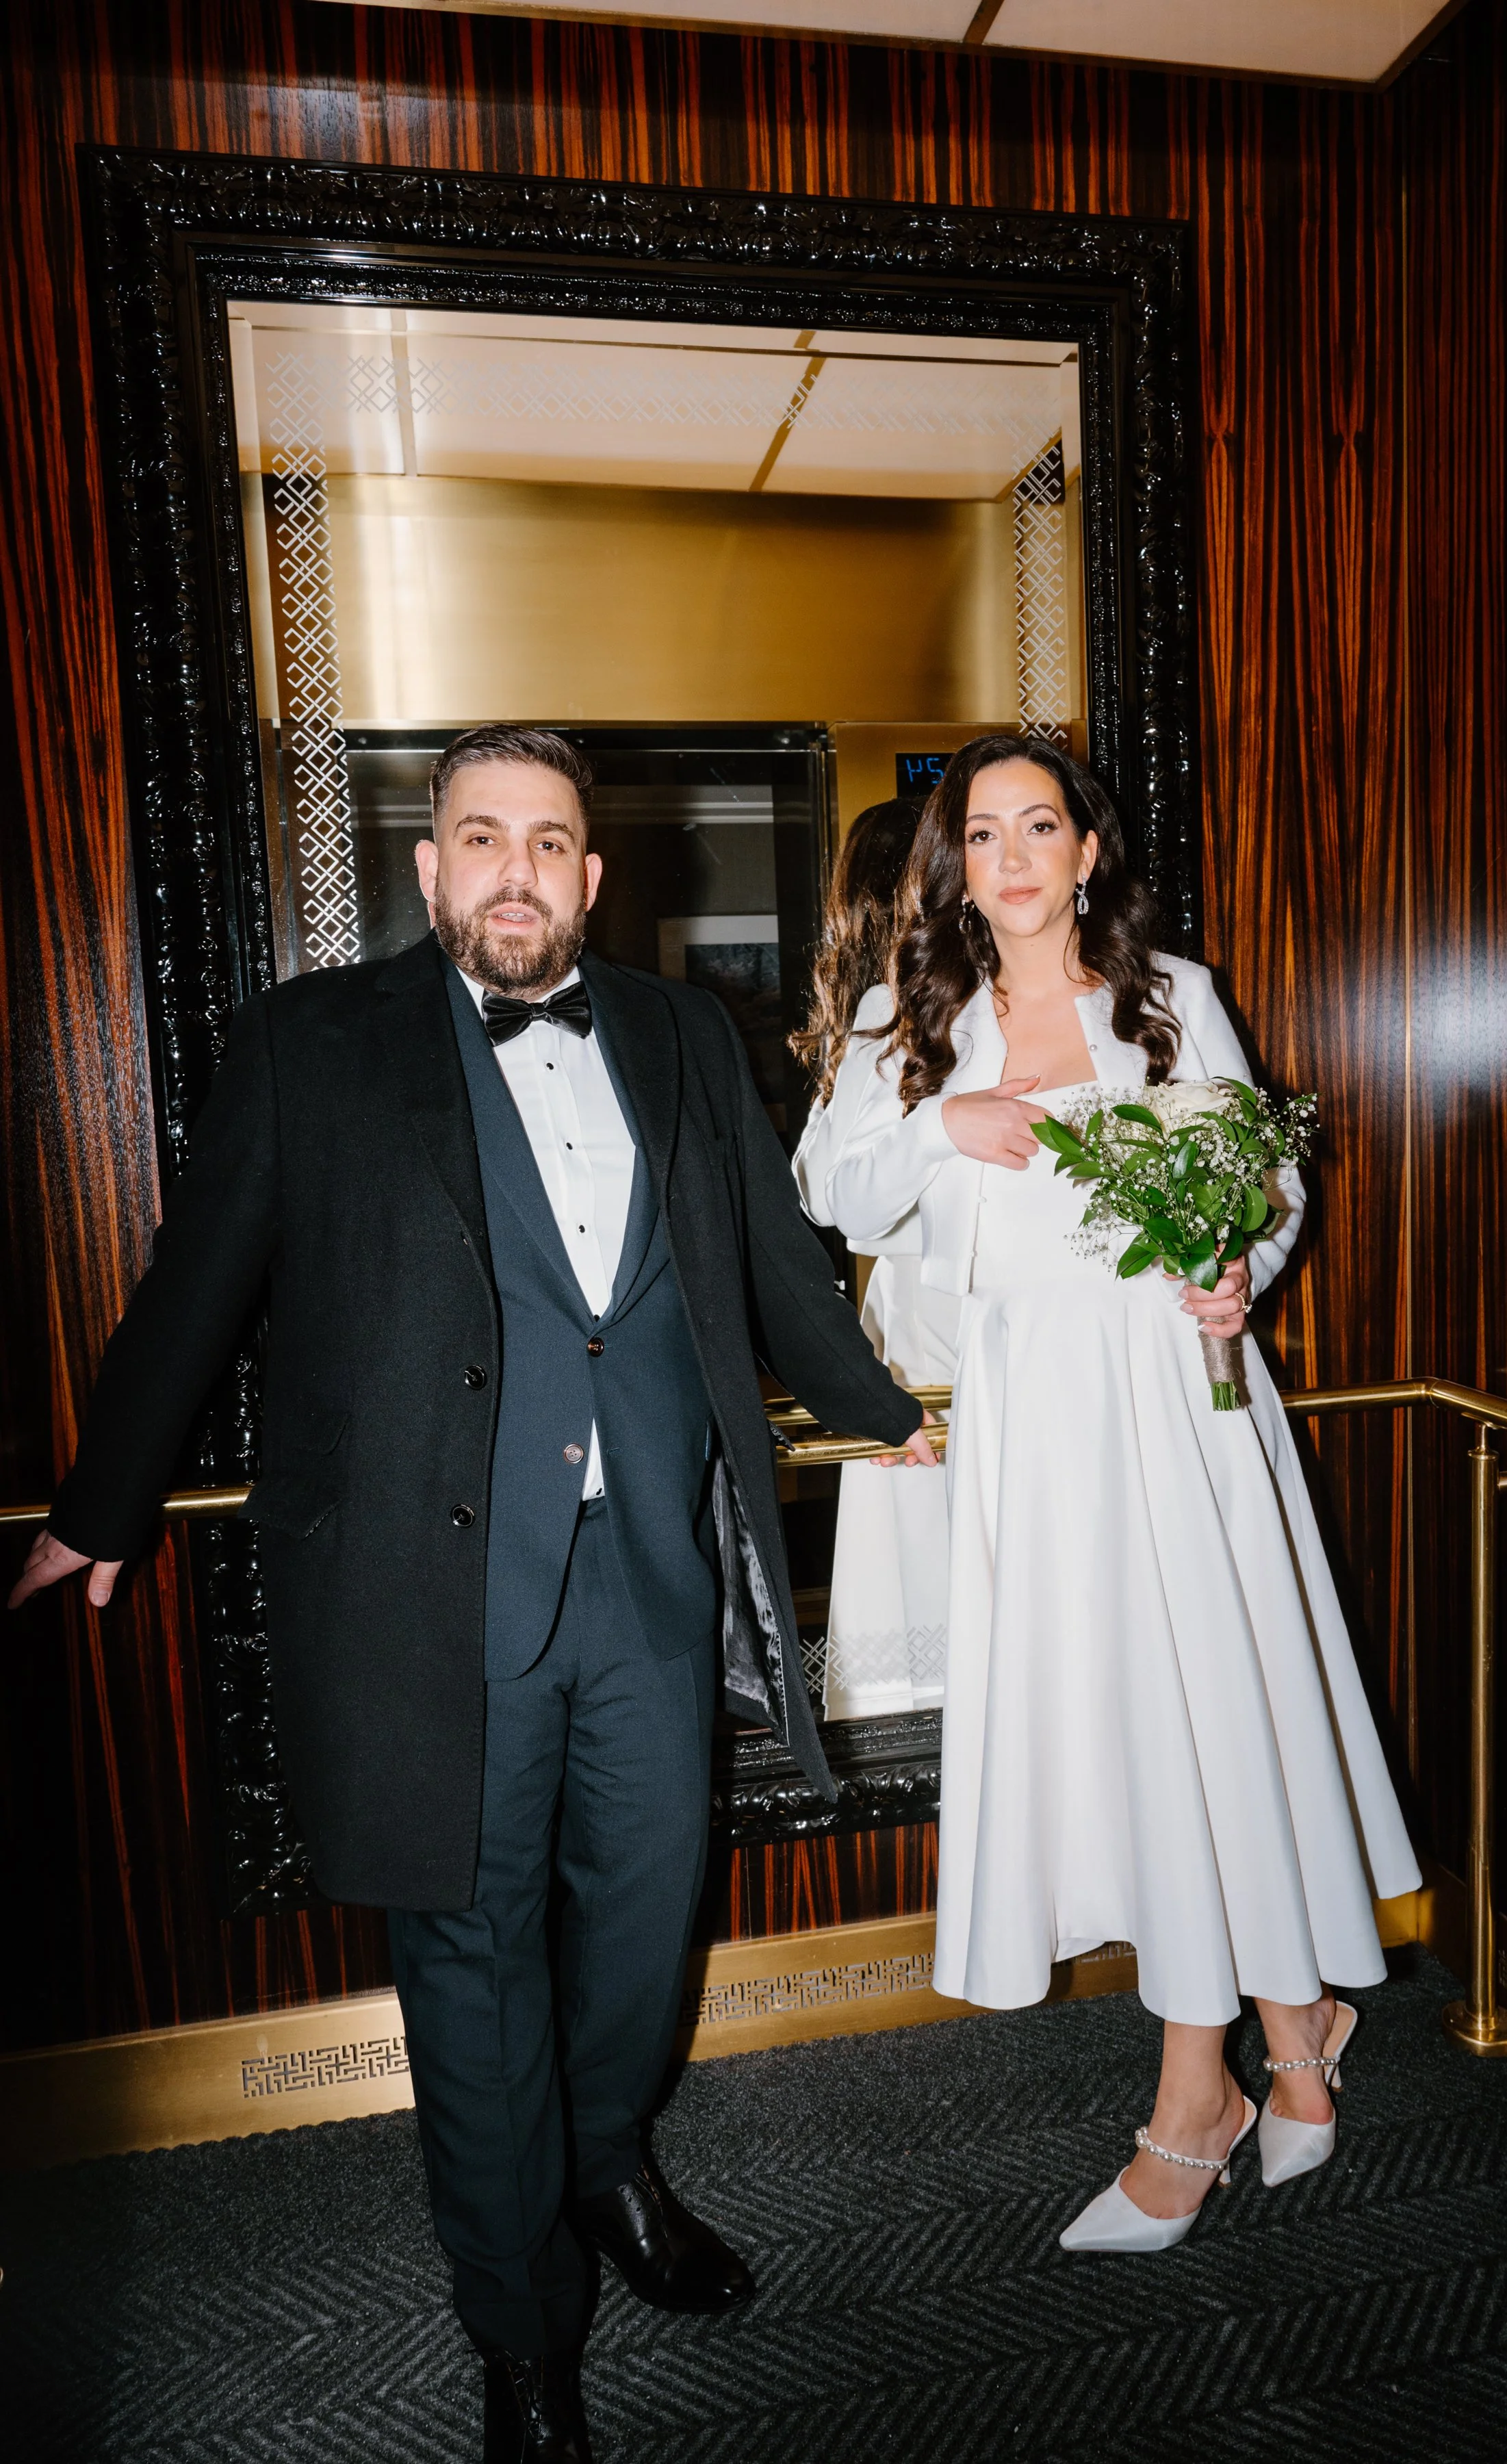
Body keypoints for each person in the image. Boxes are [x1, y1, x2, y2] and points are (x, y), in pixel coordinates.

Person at [9, 725, 931, 2462]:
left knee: (649, 1937)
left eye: (552, 841)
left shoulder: (675, 1033)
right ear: (431, 874)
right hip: (430, 1614)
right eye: (482, 838)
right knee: (470, 1968)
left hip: (652, 1591)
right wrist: (104, 1497)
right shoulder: (315, 1044)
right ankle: (519, 2332)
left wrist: (889, 1416)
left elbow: (766, 1265)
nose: (518, 869)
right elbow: (191, 1287)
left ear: (594, 875)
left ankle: (603, 2164)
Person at [816, 734, 1421, 2255]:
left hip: (1186, 1408)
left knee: (1219, 1717)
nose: (1012, 856)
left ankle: (1199, 2098)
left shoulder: (1172, 1002)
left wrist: (1239, 1274)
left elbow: (1261, 1193)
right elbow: (830, 1185)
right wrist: (941, 1122)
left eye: (1042, 826)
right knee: (1151, 1734)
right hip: (1038, 1430)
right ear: (955, 859)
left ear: (1090, 853)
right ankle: (1291, 2039)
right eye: (983, 832)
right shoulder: (912, 1015)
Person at [791, 798, 955, 1720]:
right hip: (926, 1329)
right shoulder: (888, 1012)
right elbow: (827, 1195)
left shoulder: (895, 1008)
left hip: (931, 1327)